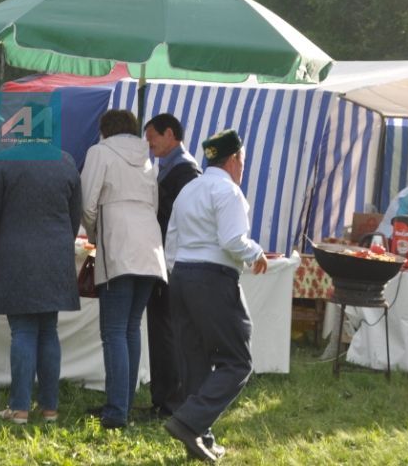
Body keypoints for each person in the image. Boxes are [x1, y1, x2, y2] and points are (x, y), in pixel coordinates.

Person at [163, 129, 268, 462]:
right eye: (243, 160)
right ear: (235, 158)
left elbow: (172, 242)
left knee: (193, 359)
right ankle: (188, 422)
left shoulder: (189, 189)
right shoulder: (229, 191)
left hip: (181, 277)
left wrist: (175, 275)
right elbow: (232, 239)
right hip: (213, 278)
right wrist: (256, 253)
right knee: (237, 362)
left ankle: (199, 435)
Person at [0, 142, 83, 424]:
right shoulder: (66, 160)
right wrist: (60, 246)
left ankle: (20, 409)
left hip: (15, 255)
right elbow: (75, 215)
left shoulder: (5, 160)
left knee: (23, 330)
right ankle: (50, 409)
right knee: (49, 330)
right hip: (55, 255)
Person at [80, 109, 167, 429]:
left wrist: (94, 234)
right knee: (130, 328)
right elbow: (153, 204)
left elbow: (87, 202)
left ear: (105, 130)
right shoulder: (147, 158)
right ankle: (122, 404)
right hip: (149, 246)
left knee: (115, 331)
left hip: (118, 243)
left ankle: (116, 411)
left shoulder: (99, 152)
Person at [143, 113, 200, 419]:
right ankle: (163, 396)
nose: (149, 144)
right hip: (163, 257)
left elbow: (181, 218)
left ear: (170, 134)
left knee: (168, 329)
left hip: (173, 260)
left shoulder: (186, 171)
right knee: (161, 327)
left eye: (152, 137)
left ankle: (172, 400)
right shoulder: (169, 168)